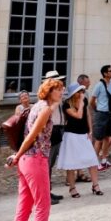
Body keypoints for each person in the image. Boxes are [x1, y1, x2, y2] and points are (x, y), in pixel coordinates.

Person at [9, 77, 65, 221]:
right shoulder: (45, 109)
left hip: (26, 163)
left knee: (23, 209)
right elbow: (32, 135)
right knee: (43, 206)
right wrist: (17, 155)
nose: (62, 92)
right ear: (49, 91)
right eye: (58, 89)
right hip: (36, 160)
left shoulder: (36, 106)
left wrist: (19, 157)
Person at [57, 83, 103, 197]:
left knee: (92, 160)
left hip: (83, 134)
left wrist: (90, 131)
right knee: (71, 164)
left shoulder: (85, 101)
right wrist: (81, 103)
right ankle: (72, 188)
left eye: (82, 91)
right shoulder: (66, 105)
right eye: (79, 91)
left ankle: (95, 185)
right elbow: (78, 115)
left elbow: (87, 115)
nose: (82, 93)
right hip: (71, 135)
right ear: (74, 93)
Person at [42, 69, 66, 205]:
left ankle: (48, 190)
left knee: (49, 164)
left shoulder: (58, 95)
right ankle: (45, 194)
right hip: (50, 130)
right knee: (46, 164)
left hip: (58, 129)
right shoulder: (48, 98)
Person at [90, 64, 111, 171]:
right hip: (101, 114)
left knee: (107, 138)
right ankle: (95, 162)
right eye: (110, 71)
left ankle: (104, 160)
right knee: (99, 139)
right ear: (105, 73)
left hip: (110, 113)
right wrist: (97, 110)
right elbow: (92, 101)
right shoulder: (99, 85)